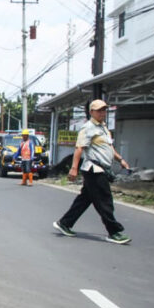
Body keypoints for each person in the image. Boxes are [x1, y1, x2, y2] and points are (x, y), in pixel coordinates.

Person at [53, 99, 131, 244]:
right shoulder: (87, 128)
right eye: (99, 110)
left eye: (104, 110)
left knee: (84, 200)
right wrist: (74, 168)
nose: (102, 113)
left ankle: (65, 223)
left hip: (101, 169)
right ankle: (114, 232)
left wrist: (121, 160)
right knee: (105, 201)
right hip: (94, 170)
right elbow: (79, 148)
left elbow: (109, 148)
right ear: (91, 112)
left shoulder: (103, 128)